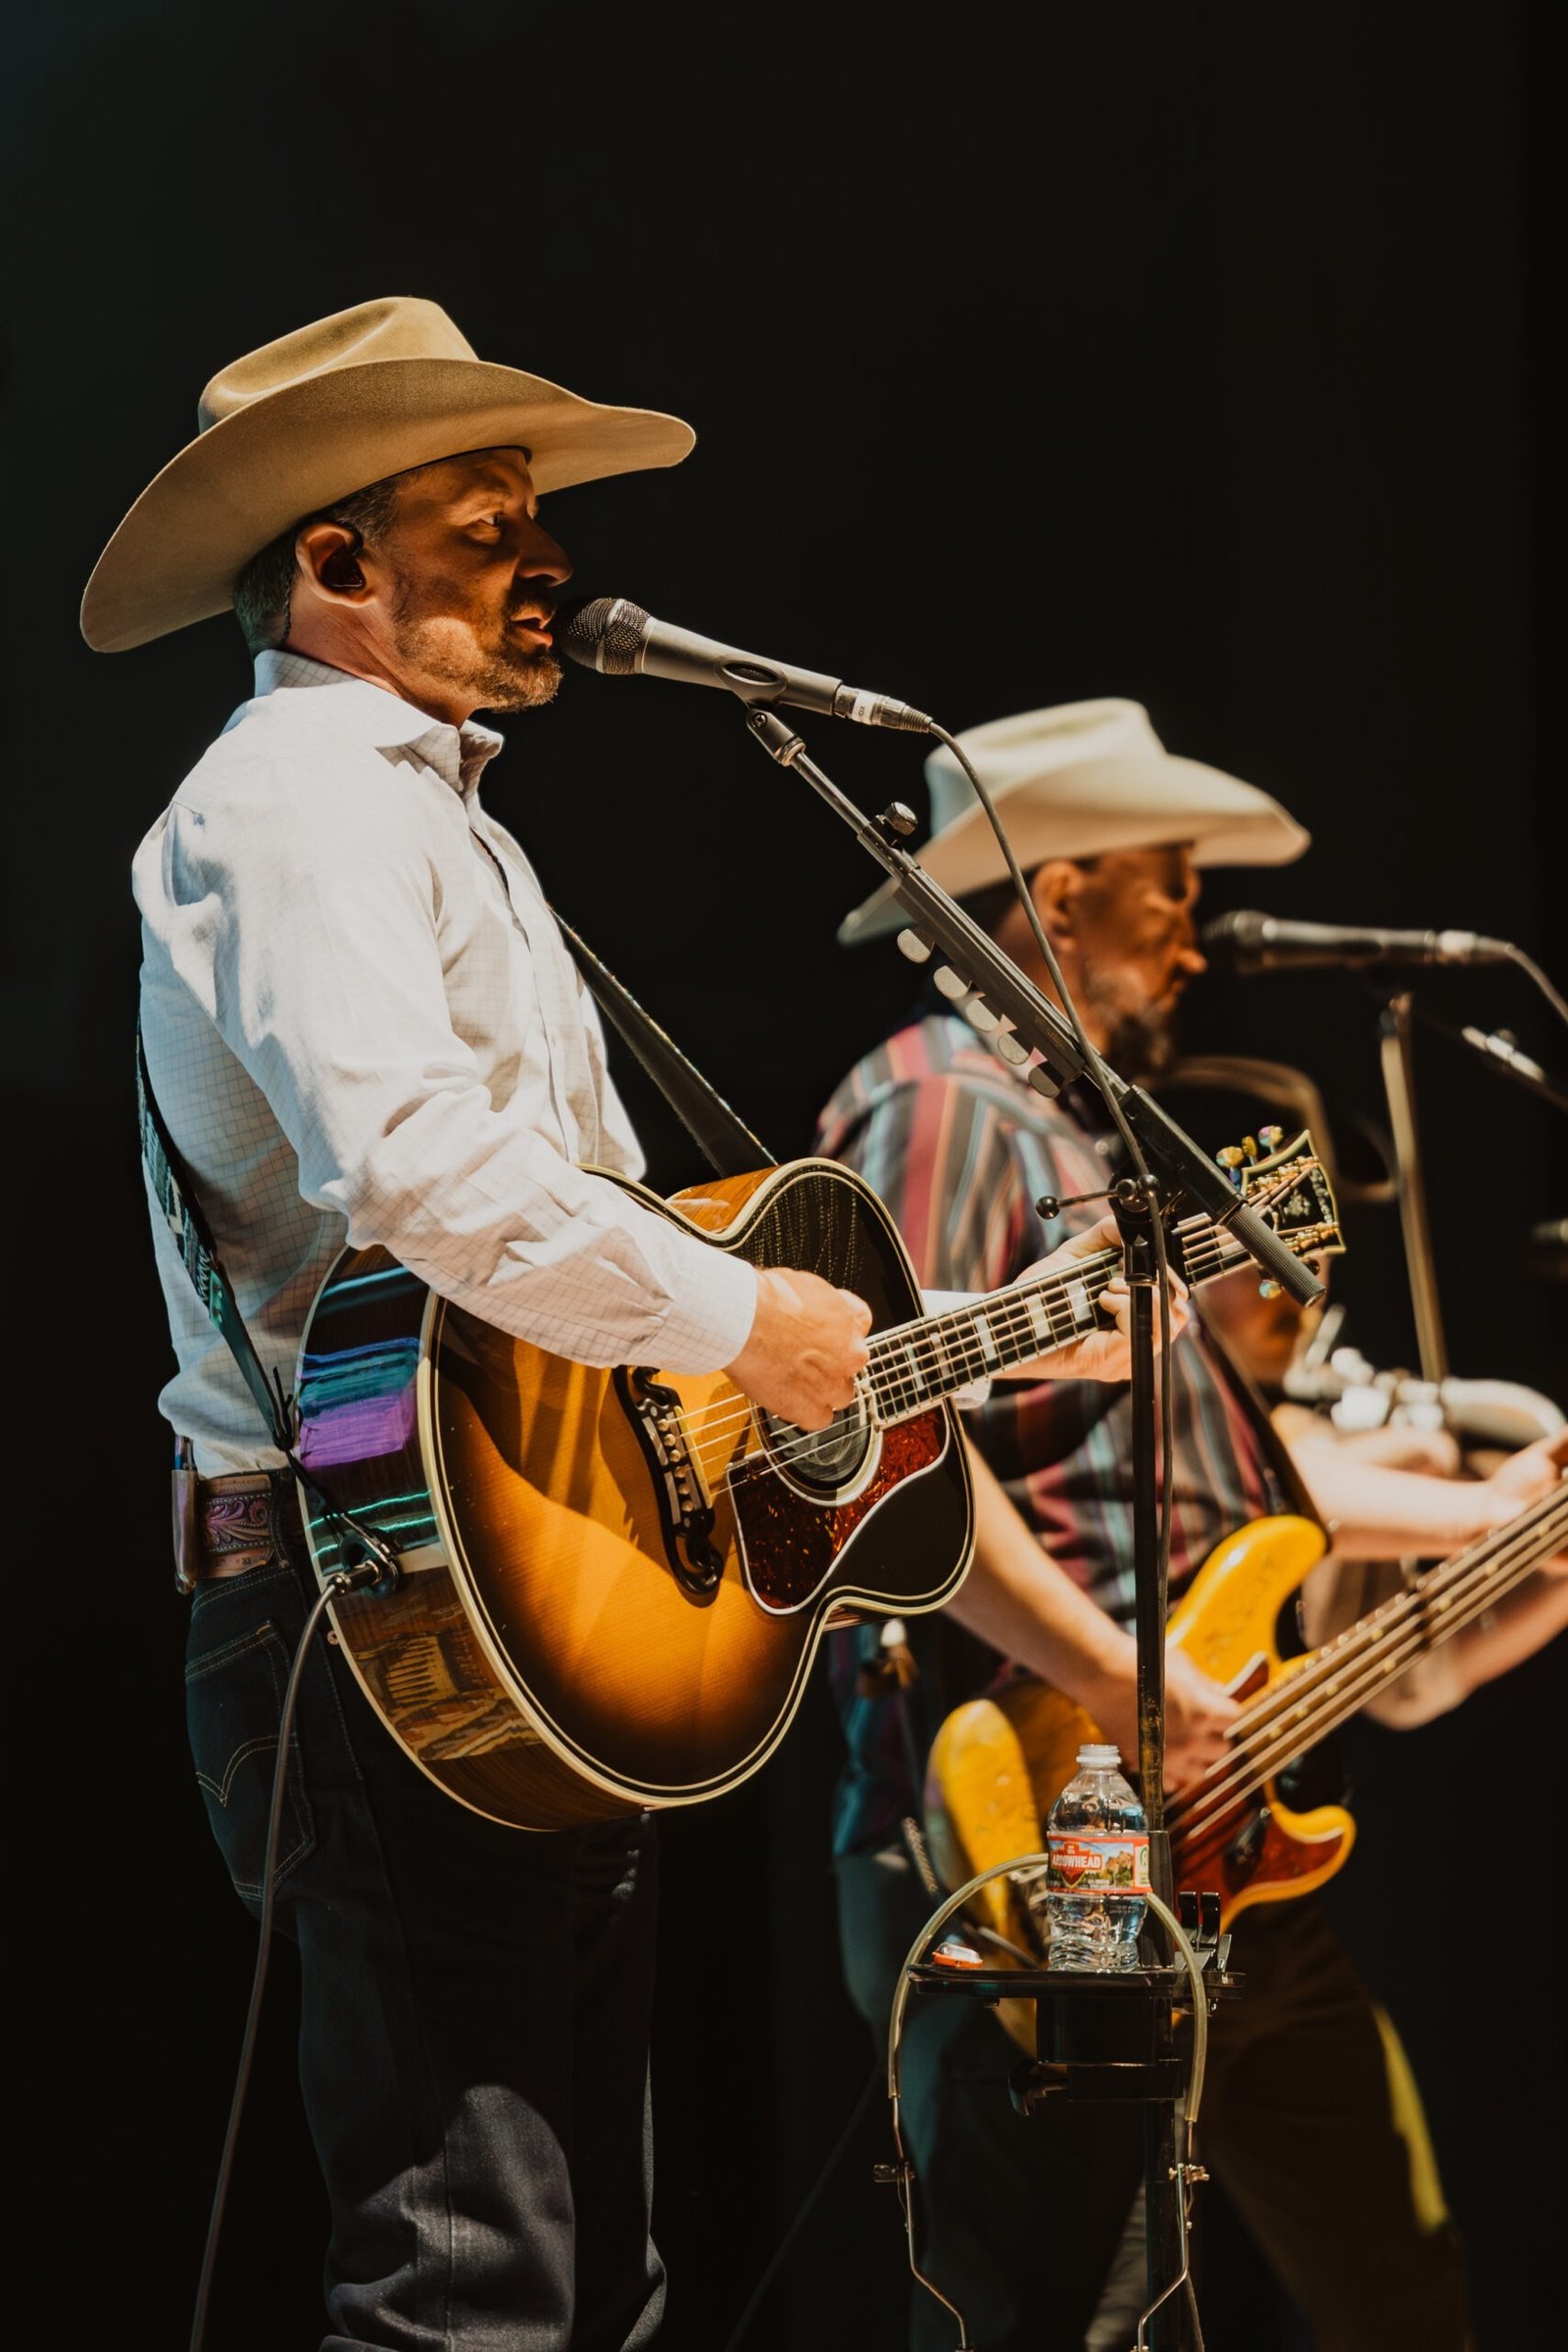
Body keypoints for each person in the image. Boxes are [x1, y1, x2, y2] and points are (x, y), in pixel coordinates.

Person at [82, 300, 1168, 2352]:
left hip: (526, 1579)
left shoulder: (441, 821)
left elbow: (574, 1246)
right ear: (336, 559)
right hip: (372, 1599)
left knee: (582, 2291)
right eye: (487, 527)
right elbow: (415, 1173)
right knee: (468, 2281)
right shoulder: (298, 802)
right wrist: (747, 1318)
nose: (549, 562)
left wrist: (919, 1343)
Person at [815, 699, 1568, 2352]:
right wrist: (1112, 1675)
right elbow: (887, 1454)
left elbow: (1221, 1482)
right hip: (1064, 1796)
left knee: (1394, 2285)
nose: (1194, 934)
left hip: (1207, 1811)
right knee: (1064, 2299)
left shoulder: (1073, 1133)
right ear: (1059, 895)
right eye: (1167, 885)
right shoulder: (944, 1112)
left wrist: (1490, 1514)